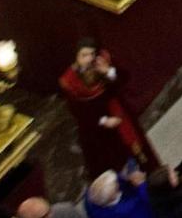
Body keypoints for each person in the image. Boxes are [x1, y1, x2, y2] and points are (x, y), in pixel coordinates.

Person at [58, 41, 158, 178]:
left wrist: (109, 71)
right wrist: (103, 121)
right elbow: (79, 113)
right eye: (84, 55)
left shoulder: (102, 62)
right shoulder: (70, 81)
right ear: (76, 57)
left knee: (139, 152)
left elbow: (123, 80)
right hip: (98, 129)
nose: (88, 59)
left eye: (91, 54)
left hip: (119, 115)